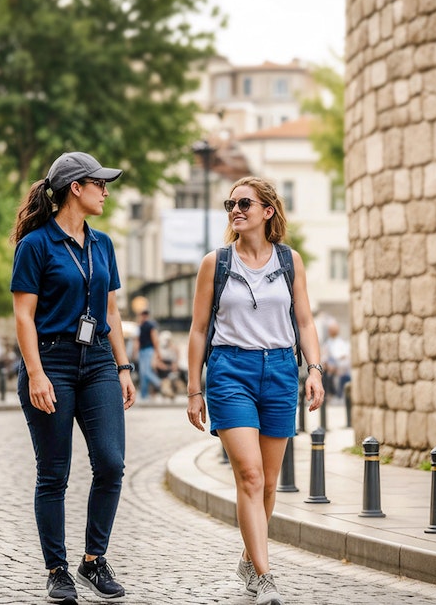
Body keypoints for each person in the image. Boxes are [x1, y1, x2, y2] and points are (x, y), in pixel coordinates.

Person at [186, 176, 325, 605]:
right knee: (248, 475)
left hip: (282, 371)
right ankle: (265, 577)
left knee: (267, 485)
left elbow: (303, 321)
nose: (235, 210)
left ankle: (250, 557)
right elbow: (198, 329)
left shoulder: (289, 260)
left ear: (268, 211)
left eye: (244, 202)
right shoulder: (216, 262)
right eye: (230, 203)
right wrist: (195, 389)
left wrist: (315, 370)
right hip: (231, 371)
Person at [10, 151, 136, 604]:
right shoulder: (36, 245)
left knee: (111, 463)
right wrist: (35, 375)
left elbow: (111, 310)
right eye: (98, 183)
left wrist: (123, 367)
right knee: (54, 472)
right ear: (75, 189)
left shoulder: (102, 244)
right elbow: (23, 316)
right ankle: (57, 569)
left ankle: (93, 560)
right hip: (52, 362)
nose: (106, 190)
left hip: (99, 360)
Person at [133, 309, 162, 400]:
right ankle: (144, 394)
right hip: (145, 350)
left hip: (148, 350)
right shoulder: (142, 326)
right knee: (143, 373)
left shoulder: (148, 325)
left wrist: (157, 352)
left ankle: (159, 383)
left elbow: (154, 339)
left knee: (146, 372)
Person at [322, 320, 351, 401]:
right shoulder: (327, 344)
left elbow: (345, 359)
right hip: (329, 372)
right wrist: (328, 366)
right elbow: (324, 359)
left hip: (340, 371)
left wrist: (336, 367)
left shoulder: (343, 344)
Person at [154, 330, 186, 398]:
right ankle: (167, 391)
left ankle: (175, 389)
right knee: (166, 382)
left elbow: (177, 358)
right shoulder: (159, 349)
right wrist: (163, 366)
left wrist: (175, 365)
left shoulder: (173, 348)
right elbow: (156, 363)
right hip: (163, 370)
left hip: (171, 368)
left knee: (176, 379)